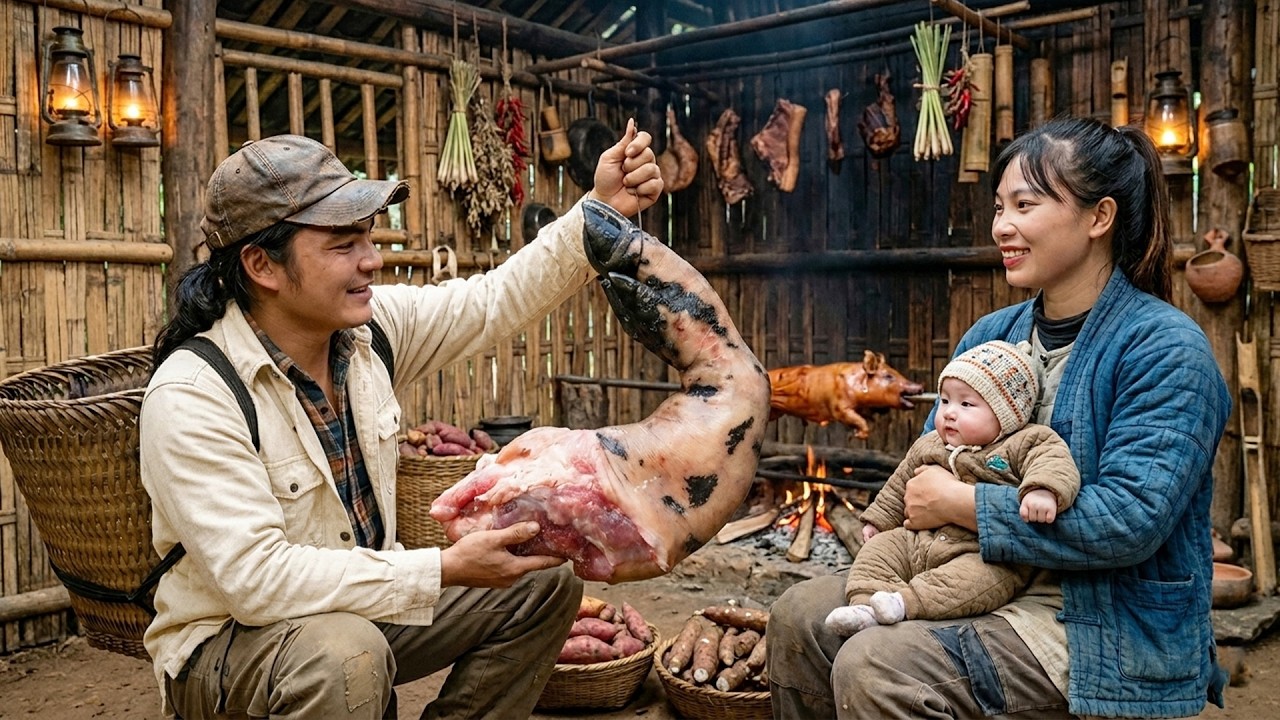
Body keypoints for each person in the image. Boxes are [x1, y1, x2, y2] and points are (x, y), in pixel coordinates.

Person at [139, 124, 662, 720]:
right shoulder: (194, 393)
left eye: (367, 236)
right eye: (343, 245)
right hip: (233, 644)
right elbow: (256, 581)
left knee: (542, 583)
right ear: (263, 265)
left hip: (355, 613)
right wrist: (443, 569)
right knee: (345, 655)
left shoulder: (368, 333)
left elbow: (493, 300)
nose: (373, 258)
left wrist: (600, 209)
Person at [767, 116, 1231, 719]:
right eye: (998, 207)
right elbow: (931, 464)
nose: (1001, 226)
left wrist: (966, 506)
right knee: (798, 615)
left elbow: (1129, 521)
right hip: (962, 572)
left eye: (1024, 205)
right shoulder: (992, 336)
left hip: (1093, 618)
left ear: (1099, 217)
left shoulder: (1166, 349)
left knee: (877, 662)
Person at [825, 340, 1080, 636]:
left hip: (981, 551)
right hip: (919, 540)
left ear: (1006, 414)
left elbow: (1055, 463)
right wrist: (878, 521)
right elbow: (899, 485)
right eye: (945, 401)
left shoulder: (1027, 441)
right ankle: (863, 606)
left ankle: (904, 603)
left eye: (966, 404)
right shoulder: (931, 443)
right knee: (878, 552)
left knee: (974, 582)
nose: (949, 412)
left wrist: (1042, 490)